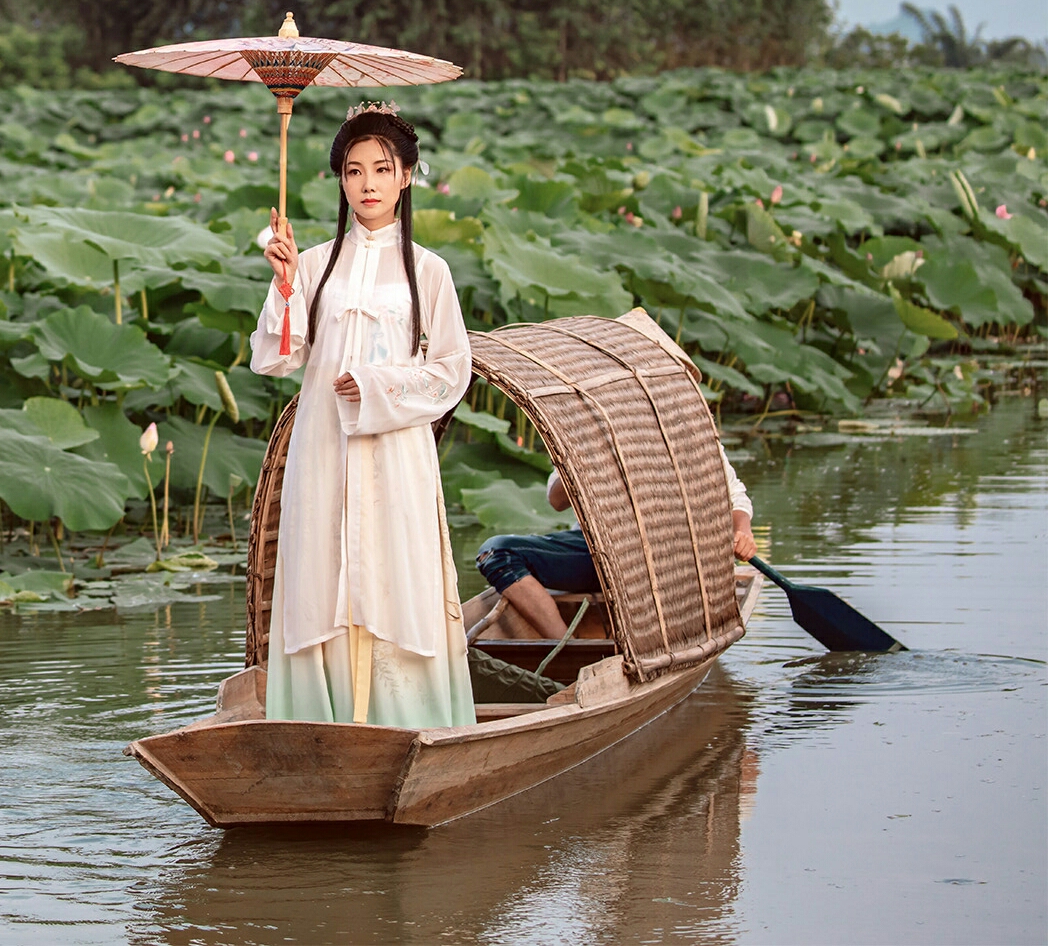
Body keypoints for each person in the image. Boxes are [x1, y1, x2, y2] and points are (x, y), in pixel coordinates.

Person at [252, 103, 474, 728]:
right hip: (322, 449)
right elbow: (277, 359)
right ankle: (317, 726)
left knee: (393, 571)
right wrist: (286, 287)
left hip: (395, 453)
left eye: (382, 169)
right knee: (322, 573)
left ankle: (407, 725)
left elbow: (451, 372)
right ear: (341, 181)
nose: (367, 184)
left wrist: (377, 386)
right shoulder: (315, 263)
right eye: (353, 171)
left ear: (407, 175)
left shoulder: (429, 272)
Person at [472, 307, 761, 641]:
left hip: (672, 559)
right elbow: (556, 501)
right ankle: (566, 647)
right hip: (603, 554)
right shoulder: (593, 426)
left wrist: (742, 531)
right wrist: (588, 449)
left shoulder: (688, 428)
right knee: (497, 551)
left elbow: (733, 493)